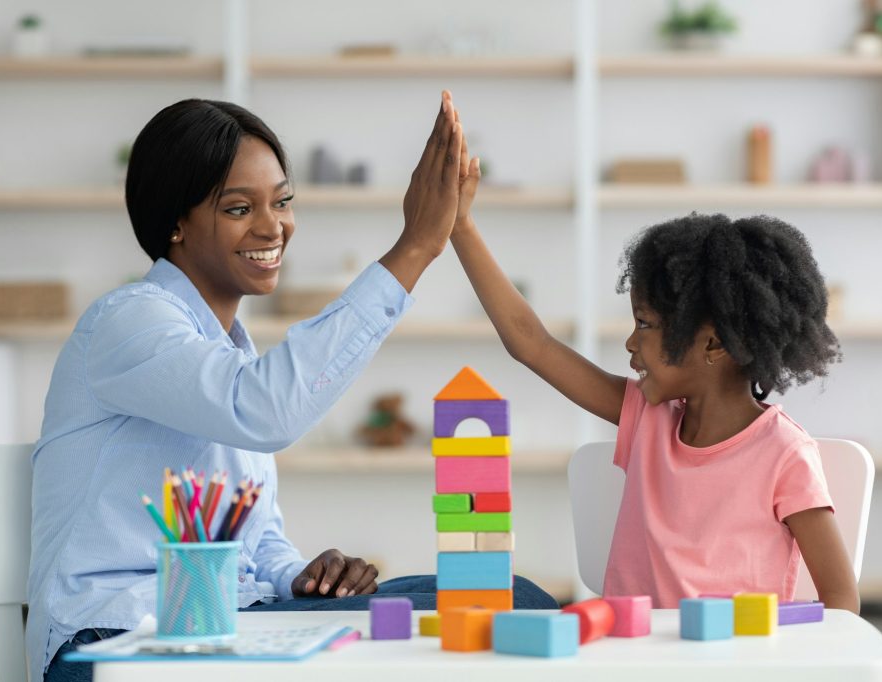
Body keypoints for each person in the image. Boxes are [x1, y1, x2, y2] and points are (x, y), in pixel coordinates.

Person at [29, 93, 556, 682]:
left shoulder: (231, 350)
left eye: (282, 201)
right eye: (237, 208)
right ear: (175, 222)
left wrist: (304, 574)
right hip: (117, 639)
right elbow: (264, 411)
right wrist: (414, 248)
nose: (272, 225)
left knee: (512, 599)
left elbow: (257, 539)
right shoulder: (129, 321)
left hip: (232, 621)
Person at [450, 146, 860, 613]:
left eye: (644, 324)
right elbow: (532, 343)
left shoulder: (785, 455)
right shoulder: (648, 419)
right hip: (633, 658)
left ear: (712, 344)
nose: (630, 343)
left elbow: (842, 600)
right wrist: (460, 227)